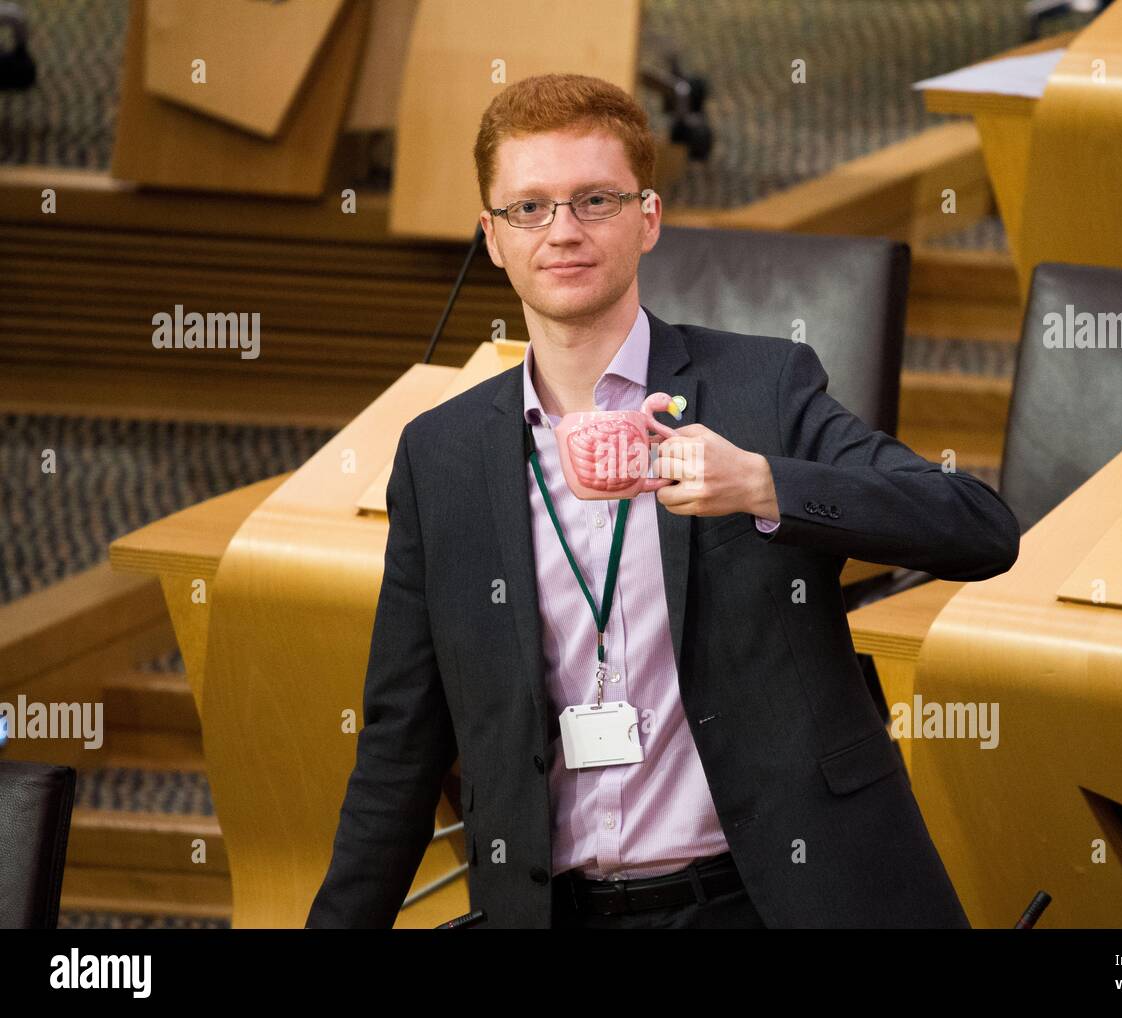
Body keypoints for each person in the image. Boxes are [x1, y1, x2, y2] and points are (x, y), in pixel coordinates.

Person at [307, 72, 1020, 930]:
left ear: (648, 217)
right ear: (492, 239)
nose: (562, 231)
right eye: (529, 208)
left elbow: (978, 529)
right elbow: (398, 749)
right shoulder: (442, 457)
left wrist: (761, 483)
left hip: (765, 902)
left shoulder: (759, 389)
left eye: (594, 200)